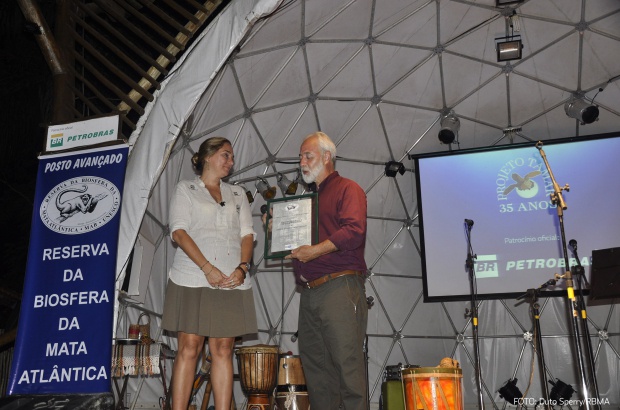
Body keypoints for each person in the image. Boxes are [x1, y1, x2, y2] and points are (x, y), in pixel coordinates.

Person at [161, 136, 257, 410]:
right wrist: (207, 268)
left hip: (230, 281)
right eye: (226, 155)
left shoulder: (237, 193)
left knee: (223, 350)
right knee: (190, 347)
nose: (231, 161)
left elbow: (247, 235)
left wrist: (242, 267)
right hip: (192, 277)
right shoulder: (186, 188)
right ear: (207, 156)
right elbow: (178, 232)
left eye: (232, 157)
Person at [286, 131, 369, 409]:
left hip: (340, 288)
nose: (302, 162)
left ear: (326, 157)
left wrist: (315, 251)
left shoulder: (348, 189)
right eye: (300, 157)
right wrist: (280, 231)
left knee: (348, 368)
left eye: (307, 156)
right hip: (309, 293)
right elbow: (296, 244)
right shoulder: (306, 201)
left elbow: (354, 232)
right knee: (317, 374)